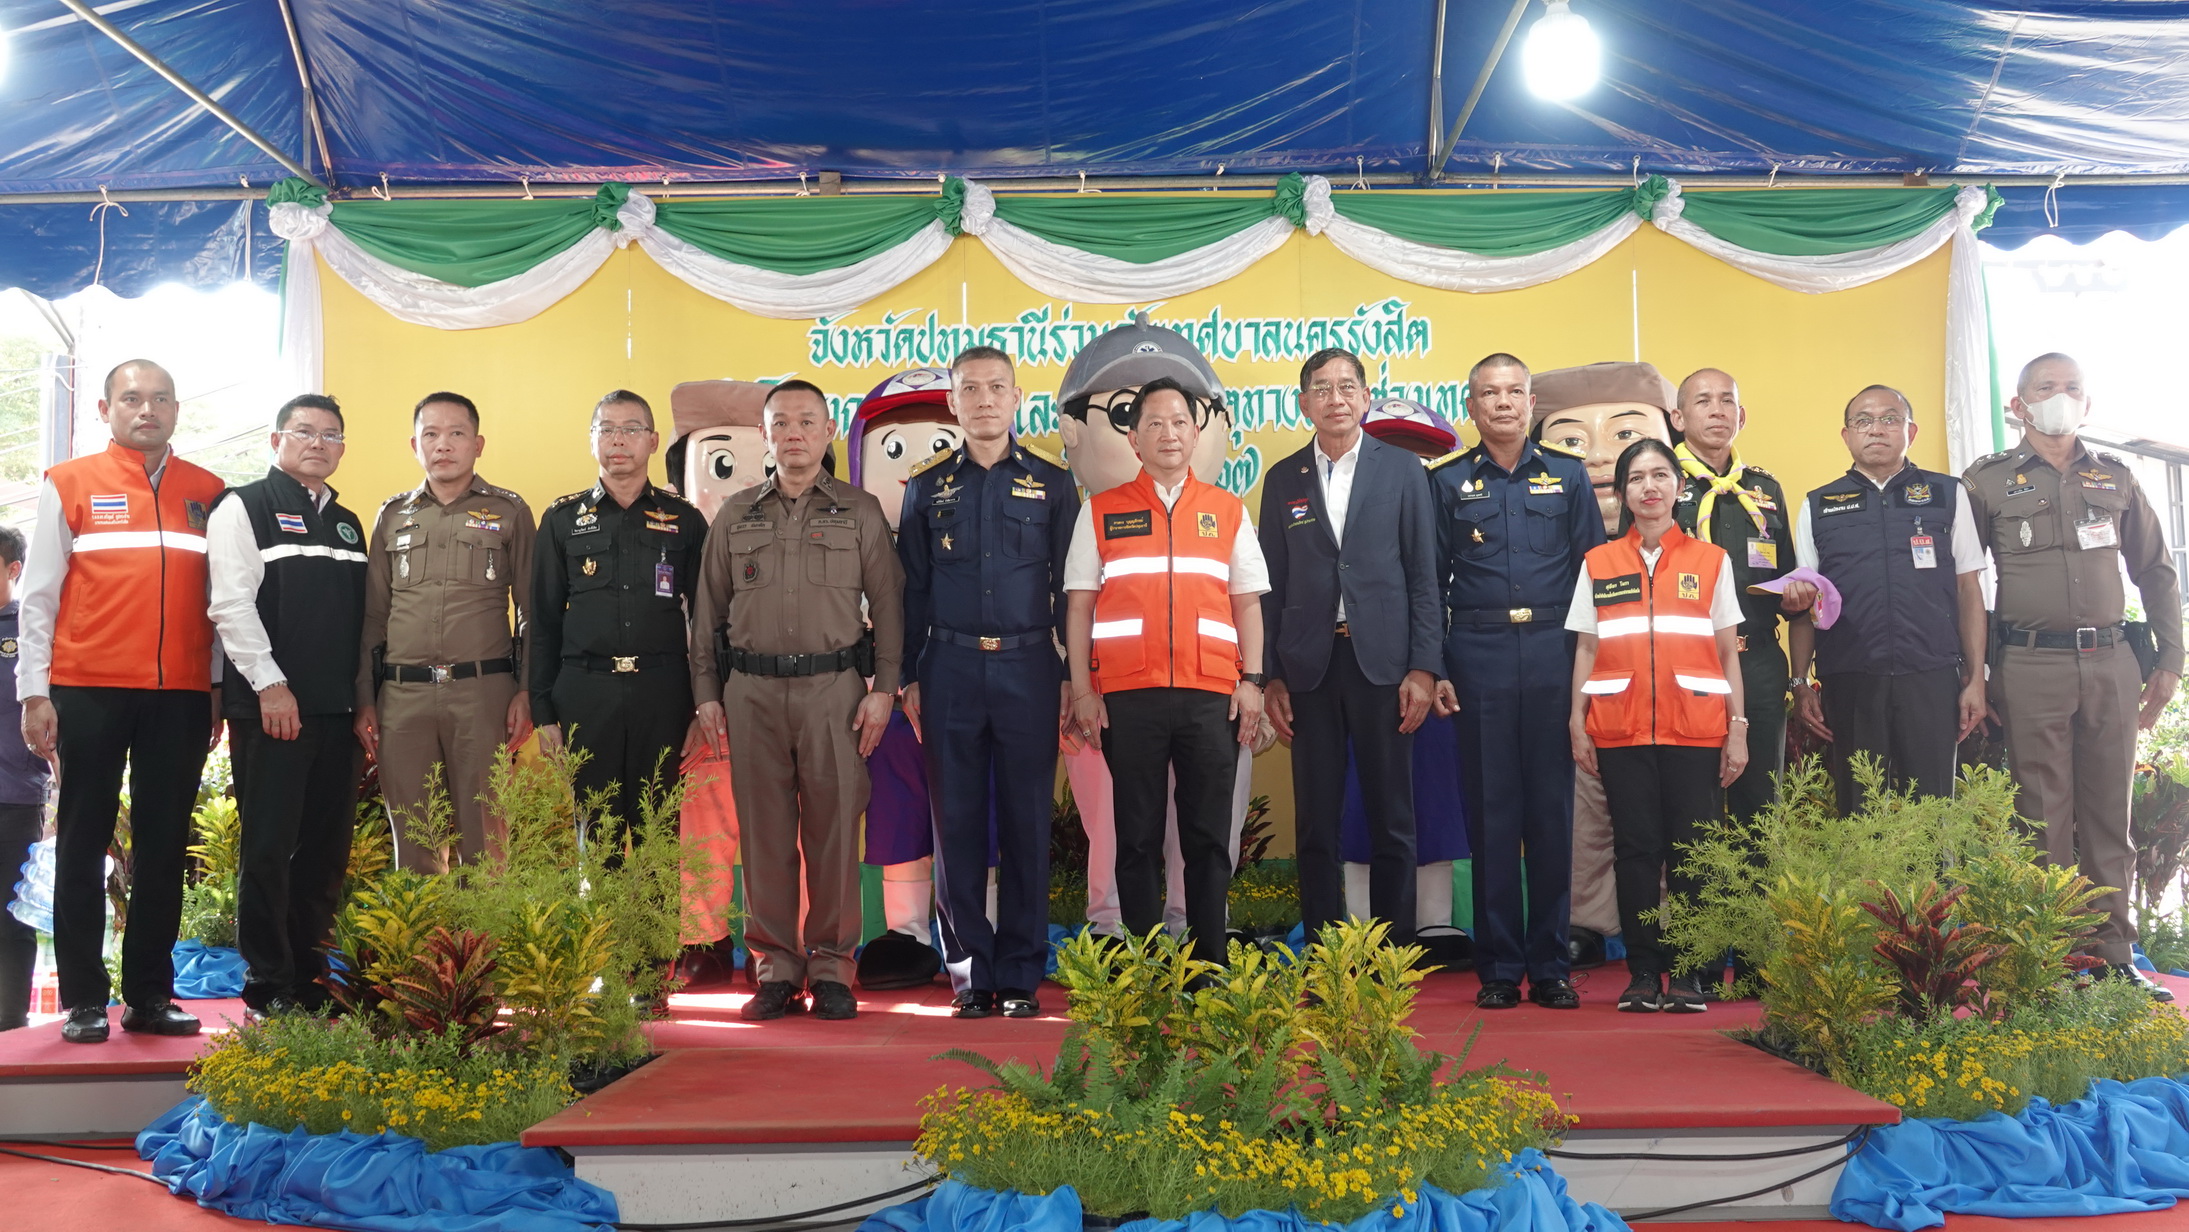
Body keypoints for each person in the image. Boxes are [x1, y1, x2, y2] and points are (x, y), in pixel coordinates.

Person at [18, 359, 225, 1043]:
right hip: (88, 690)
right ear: (105, 409)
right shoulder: (69, 483)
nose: (147, 409)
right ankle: (82, 999)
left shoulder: (210, 492)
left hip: (181, 696)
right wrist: (33, 693)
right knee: (83, 844)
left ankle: (148, 995)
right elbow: (39, 597)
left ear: (175, 409)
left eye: (161, 398)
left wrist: (216, 687)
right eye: (132, 398)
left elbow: (223, 601)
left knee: (165, 849)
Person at [1965, 353, 2182, 1001]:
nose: (2058, 398)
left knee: (2107, 811)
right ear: (2018, 405)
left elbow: (2157, 569)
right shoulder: (1985, 481)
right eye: (2044, 388)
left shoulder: (2114, 476)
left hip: (2111, 661)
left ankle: (2114, 955)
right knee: (2040, 814)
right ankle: (2052, 958)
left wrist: (2170, 659)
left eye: (2070, 389)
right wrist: (1973, 672)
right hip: (2027, 663)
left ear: (2086, 404)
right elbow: (1959, 580)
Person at [691, 380, 902, 1023]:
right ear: (766, 434)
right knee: (766, 837)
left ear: (828, 430)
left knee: (836, 831)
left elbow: (890, 606)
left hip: (834, 692)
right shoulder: (735, 515)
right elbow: (707, 615)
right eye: (781, 423)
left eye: (807, 422)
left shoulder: (860, 511)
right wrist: (707, 694)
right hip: (750, 693)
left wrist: (885, 691)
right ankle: (776, 968)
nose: (794, 434)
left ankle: (833, 968)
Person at [1055, 316, 1259, 937]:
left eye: (1180, 422)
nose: (1168, 434)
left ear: (1198, 433)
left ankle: (1207, 962)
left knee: (1205, 837)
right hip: (1128, 700)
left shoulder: (1227, 510)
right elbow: (1080, 607)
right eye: (1152, 424)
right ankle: (1144, 963)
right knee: (1135, 834)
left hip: (1209, 698)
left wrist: (1252, 680)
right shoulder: (1099, 512)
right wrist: (1084, 692)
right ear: (1134, 439)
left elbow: (1248, 602)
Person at [899, 347, 1076, 1018]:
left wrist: (1069, 674)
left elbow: (1068, 589)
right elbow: (912, 589)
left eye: (995, 387)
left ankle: (1022, 975)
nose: (982, 399)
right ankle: (970, 973)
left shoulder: (1053, 483)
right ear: (951, 402)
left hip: (1031, 667)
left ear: (1016, 397)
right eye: (968, 388)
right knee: (958, 823)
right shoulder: (925, 486)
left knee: (1029, 822)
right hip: (948, 669)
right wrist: (911, 676)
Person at [1430, 353, 1603, 1010]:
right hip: (1477, 653)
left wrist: (1592, 676)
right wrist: (1436, 666)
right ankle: (1499, 966)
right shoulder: (1444, 483)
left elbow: (1595, 578)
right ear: (1470, 406)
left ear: (1530, 403)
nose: (1501, 403)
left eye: (1512, 392)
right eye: (1487, 393)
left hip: (1556, 653)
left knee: (1552, 814)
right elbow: (1428, 583)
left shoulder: (1566, 476)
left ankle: (1551, 964)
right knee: (1491, 813)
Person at [1259, 350, 1441, 948]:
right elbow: (1272, 585)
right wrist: (1271, 677)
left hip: (1384, 666)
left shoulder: (1403, 471)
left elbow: (1423, 576)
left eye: (1347, 387)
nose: (1335, 398)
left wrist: (1422, 667)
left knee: (1393, 817)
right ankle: (1326, 953)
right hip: (1309, 669)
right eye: (1321, 388)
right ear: (1304, 402)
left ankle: (1394, 955)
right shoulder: (1283, 478)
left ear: (1366, 399)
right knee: (1315, 822)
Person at [1568, 439, 1747, 1013]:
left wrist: (1737, 726)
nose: (1650, 487)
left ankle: (1692, 973)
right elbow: (1587, 647)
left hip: (1695, 728)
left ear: (1678, 487)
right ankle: (1644, 972)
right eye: (1637, 478)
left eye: (1660, 475)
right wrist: (1577, 720)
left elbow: (1727, 652)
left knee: (1693, 852)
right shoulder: (1599, 562)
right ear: (1622, 493)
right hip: (1620, 730)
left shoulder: (1711, 560)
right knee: (1636, 851)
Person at [208, 394, 369, 1015]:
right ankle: (268, 982)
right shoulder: (243, 507)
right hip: (274, 710)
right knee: (270, 851)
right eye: (304, 432)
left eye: (331, 435)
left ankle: (310, 978)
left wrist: (361, 702)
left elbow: (360, 622)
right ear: (277, 440)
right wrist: (271, 685)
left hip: (337, 714)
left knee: (326, 856)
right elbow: (231, 604)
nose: (318, 443)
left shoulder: (350, 522)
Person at [1533, 360, 1677, 971]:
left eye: (1622, 437)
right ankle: (1589, 921)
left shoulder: (1694, 530)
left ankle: (1673, 922)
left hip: (1674, 697)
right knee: (1585, 805)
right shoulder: (1550, 516)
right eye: (1569, 440)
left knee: (1672, 813)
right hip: (1585, 686)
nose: (1594, 458)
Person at [354, 393, 535, 871]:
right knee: (414, 838)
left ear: (478, 444)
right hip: (403, 697)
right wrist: (365, 697)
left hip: (482, 694)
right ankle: (420, 947)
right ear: (415, 445)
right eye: (431, 434)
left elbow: (532, 613)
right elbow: (374, 614)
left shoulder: (510, 511)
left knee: (486, 841)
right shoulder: (392, 515)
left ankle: (483, 946)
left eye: (456, 433)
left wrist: (527, 690)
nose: (443, 445)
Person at [1785, 386, 1986, 809]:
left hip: (1930, 676)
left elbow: (1969, 590)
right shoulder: (1817, 505)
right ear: (1846, 435)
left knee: (1932, 812)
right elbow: (1804, 604)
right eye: (1863, 420)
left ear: (1910, 430)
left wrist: (1976, 678)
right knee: (1859, 811)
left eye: (1890, 418)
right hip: (1851, 680)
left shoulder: (1948, 495)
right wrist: (1801, 682)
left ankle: (1940, 881)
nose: (1876, 428)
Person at [531, 391, 710, 851]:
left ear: (651, 441)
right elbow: (542, 619)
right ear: (591, 441)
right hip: (586, 696)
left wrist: (705, 703)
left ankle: (654, 927)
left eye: (631, 429)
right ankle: (599, 927)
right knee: (597, 842)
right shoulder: (562, 520)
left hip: (663, 695)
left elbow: (710, 619)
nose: (618, 440)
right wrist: (543, 711)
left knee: (658, 840)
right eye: (606, 429)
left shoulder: (685, 519)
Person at [1340, 398, 1472, 966]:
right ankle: (1359, 923)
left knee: (1433, 794)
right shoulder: (1347, 506)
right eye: (1390, 448)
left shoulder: (1453, 504)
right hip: (1361, 668)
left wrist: (1433, 664)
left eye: (1417, 452)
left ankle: (1433, 920)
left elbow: (1439, 587)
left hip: (1435, 665)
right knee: (1357, 795)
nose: (1404, 462)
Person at [850, 367, 970, 991]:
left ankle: (974, 925)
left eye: (939, 445)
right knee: (898, 806)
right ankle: (908, 931)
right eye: (895, 449)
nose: (917, 464)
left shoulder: (975, 525)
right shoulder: (853, 538)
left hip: (968, 692)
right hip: (887, 704)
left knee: (976, 809)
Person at [1670, 370, 1791, 827]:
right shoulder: (1658, 480)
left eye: (1726, 401)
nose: (1717, 409)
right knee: (1692, 807)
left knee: (1760, 806)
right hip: (1687, 661)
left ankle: (1757, 900)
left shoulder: (1764, 489)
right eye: (1703, 401)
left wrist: (1798, 595)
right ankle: (1694, 901)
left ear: (1741, 415)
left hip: (1756, 660)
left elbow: (1786, 581)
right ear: (1678, 417)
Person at [0, 526, 51, 1031]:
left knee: (7, 921)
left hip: (13, 799)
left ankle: (9, 1028)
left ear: (14, 570)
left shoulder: (31, 635)